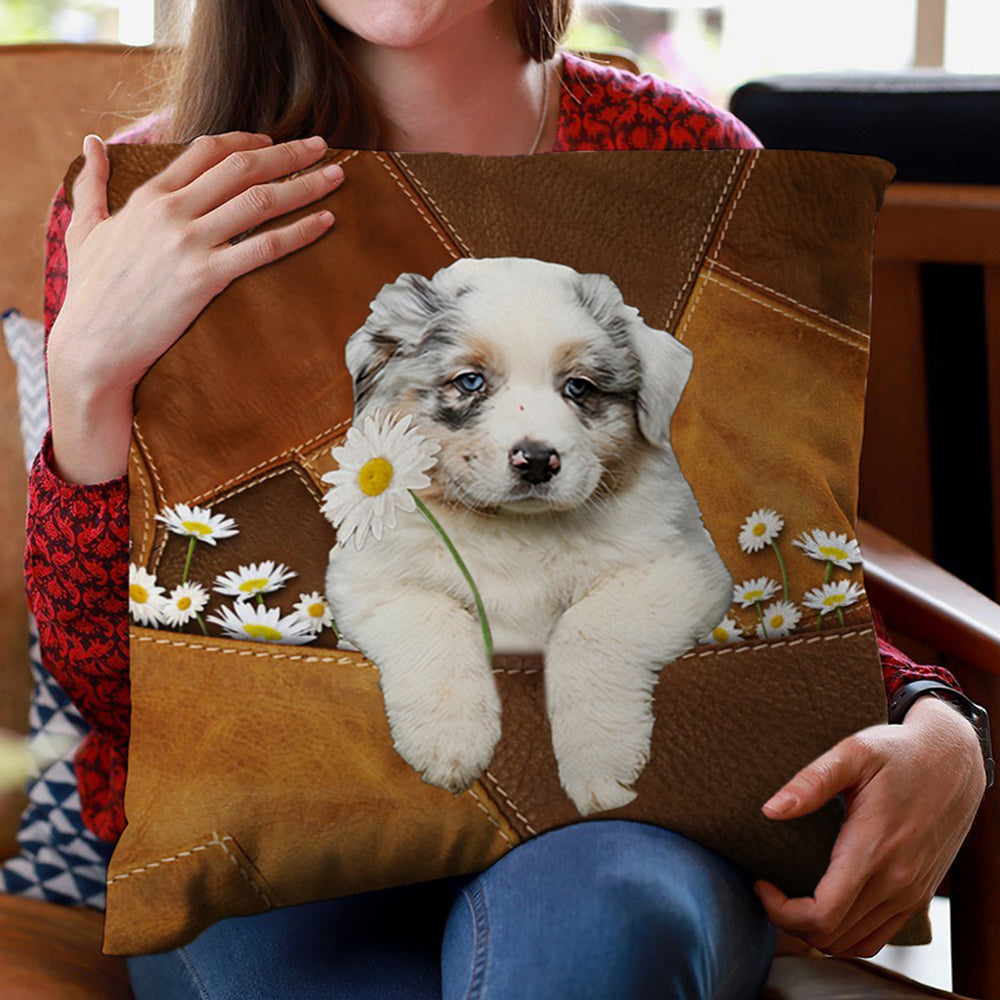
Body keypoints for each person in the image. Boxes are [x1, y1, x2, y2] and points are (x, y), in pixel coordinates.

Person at [25, 1, 988, 997]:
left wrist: (934, 713)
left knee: (601, 923)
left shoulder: (691, 165)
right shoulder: (156, 205)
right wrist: (89, 382)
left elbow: (756, 553)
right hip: (269, 819)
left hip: (619, 824)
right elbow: (107, 681)